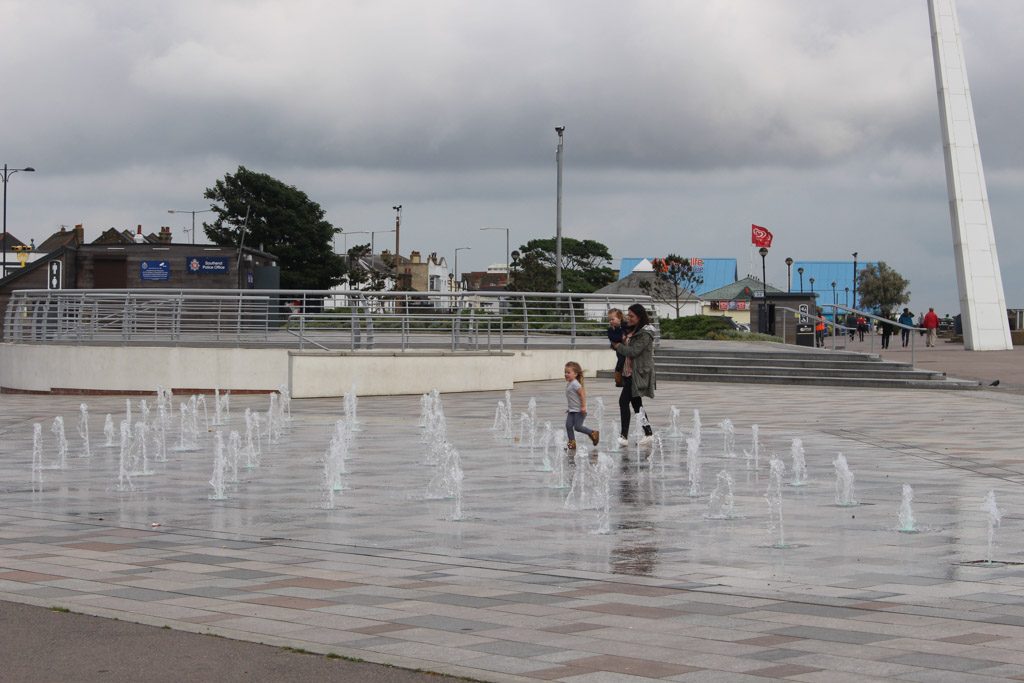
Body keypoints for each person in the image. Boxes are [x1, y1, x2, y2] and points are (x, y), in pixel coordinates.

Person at [612, 303, 656, 447]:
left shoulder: (645, 334)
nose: (628, 318)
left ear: (639, 317)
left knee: (623, 401)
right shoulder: (631, 329)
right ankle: (648, 433)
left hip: (637, 373)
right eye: (628, 315)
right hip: (627, 372)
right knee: (637, 405)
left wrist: (619, 346)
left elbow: (634, 352)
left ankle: (624, 436)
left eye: (631, 316)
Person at [563, 361, 598, 450]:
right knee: (568, 426)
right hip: (572, 410)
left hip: (579, 410)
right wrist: (569, 408)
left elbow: (582, 394)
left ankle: (593, 433)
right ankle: (572, 442)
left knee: (578, 427)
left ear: (575, 374)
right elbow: (573, 398)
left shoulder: (575, 383)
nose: (566, 374)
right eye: (565, 372)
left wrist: (583, 406)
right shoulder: (570, 383)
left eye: (568, 372)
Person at [606, 308, 626, 387]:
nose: (610, 321)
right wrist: (622, 338)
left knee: (625, 362)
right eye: (609, 320)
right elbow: (613, 338)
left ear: (620, 318)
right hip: (619, 349)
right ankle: (618, 379)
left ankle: (623, 378)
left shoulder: (625, 326)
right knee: (621, 361)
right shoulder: (611, 329)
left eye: (612, 319)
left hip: (625, 348)